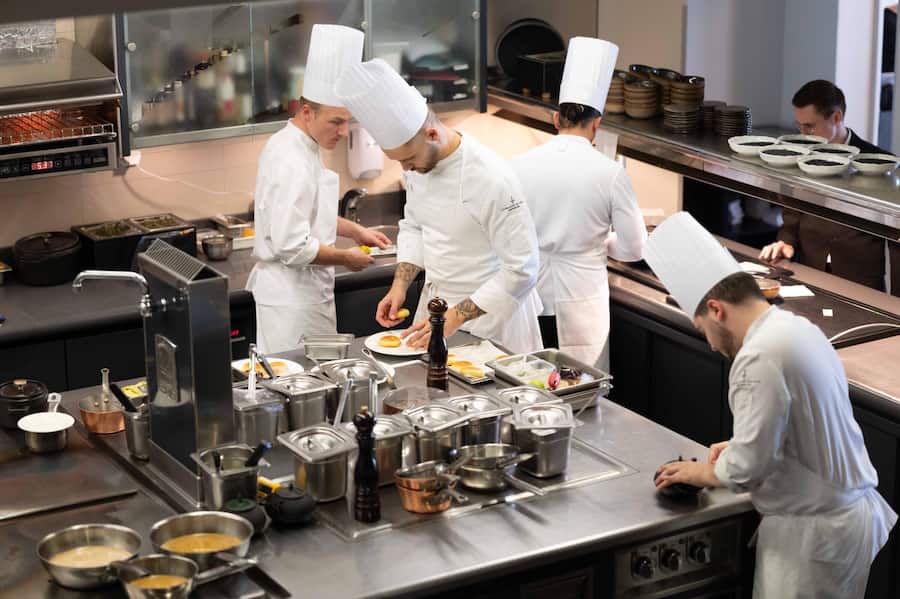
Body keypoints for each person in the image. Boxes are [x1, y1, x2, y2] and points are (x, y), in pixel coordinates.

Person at [646, 212, 896, 599]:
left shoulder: (757, 356)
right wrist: (740, 445)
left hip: (812, 540)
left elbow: (747, 468)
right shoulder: (796, 329)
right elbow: (806, 426)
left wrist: (699, 472)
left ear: (716, 309)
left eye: (703, 331)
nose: (711, 345)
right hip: (841, 525)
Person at [335, 59, 543, 353]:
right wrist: (399, 286)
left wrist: (455, 317)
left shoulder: (492, 178)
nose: (406, 168)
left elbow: (522, 269)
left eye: (409, 159)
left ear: (432, 134)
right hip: (436, 316)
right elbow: (415, 225)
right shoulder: (419, 167)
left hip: (493, 325)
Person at [247, 25, 390, 353]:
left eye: (347, 122)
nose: (343, 132)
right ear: (307, 111)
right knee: (300, 388)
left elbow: (310, 212)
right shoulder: (290, 161)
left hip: (307, 296)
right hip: (292, 304)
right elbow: (293, 246)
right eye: (336, 122)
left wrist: (354, 230)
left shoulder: (301, 145)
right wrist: (345, 258)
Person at [511, 37, 646, 368]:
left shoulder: (518, 164)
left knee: (532, 393)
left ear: (557, 119)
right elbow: (633, 249)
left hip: (530, 298)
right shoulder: (610, 173)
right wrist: (601, 242)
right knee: (582, 397)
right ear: (597, 124)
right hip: (582, 300)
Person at [759, 80, 896, 292]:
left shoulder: (880, 163)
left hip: (860, 280)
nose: (803, 135)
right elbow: (793, 209)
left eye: (810, 127)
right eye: (799, 126)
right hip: (809, 269)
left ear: (837, 117)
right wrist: (786, 241)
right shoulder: (800, 154)